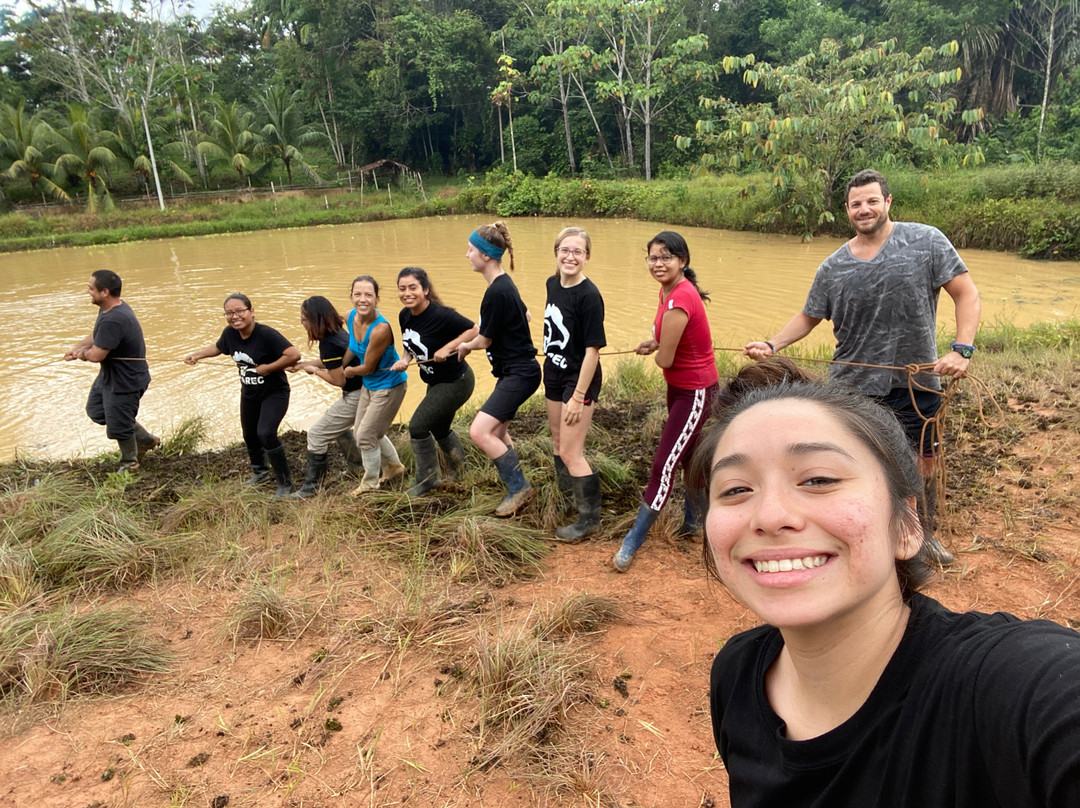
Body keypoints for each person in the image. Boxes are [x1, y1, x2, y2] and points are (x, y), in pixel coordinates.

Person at [699, 380, 1080, 808]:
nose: (769, 516)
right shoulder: (735, 675)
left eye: (819, 478)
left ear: (907, 525)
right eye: (735, 489)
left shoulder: (1009, 686)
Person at [743, 168, 982, 565]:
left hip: (916, 380)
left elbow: (966, 294)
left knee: (922, 463)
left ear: (888, 202)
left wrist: (962, 349)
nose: (864, 209)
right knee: (854, 464)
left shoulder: (926, 241)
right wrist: (772, 343)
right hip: (852, 386)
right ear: (847, 210)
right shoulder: (832, 266)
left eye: (872, 201)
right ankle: (859, 537)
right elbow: (809, 316)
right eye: (856, 204)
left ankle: (923, 536)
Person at [613, 231, 719, 571]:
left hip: (695, 392)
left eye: (666, 257)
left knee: (665, 465)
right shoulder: (669, 290)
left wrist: (659, 351)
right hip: (683, 389)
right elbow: (669, 341)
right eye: (653, 257)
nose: (658, 263)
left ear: (682, 261)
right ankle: (694, 523)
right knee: (690, 458)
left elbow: (667, 361)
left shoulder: (679, 299)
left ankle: (633, 540)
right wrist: (654, 341)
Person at [455, 221, 542, 517]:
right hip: (516, 372)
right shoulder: (503, 285)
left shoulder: (496, 292)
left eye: (471, 250)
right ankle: (517, 484)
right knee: (499, 432)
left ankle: (519, 488)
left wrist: (466, 347)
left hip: (519, 373)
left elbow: (484, 339)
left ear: (487, 256)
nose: (467, 255)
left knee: (479, 432)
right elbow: (526, 314)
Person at [183, 294, 300, 498]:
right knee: (249, 434)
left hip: (274, 393)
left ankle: (285, 483)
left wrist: (269, 368)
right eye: (229, 313)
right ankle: (260, 472)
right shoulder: (230, 334)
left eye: (239, 311)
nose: (234, 316)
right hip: (249, 394)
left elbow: (293, 355)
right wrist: (197, 355)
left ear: (251, 311)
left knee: (266, 432)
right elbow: (219, 347)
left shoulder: (266, 334)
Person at [389, 267, 477, 495]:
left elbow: (474, 330)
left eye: (413, 288)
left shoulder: (441, 315)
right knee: (439, 427)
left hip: (456, 380)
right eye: (402, 288)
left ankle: (427, 480)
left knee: (417, 426)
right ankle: (461, 470)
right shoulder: (404, 315)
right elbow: (410, 346)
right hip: (434, 380)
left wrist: (447, 348)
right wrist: (403, 359)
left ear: (425, 290)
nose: (407, 293)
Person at [543, 226, 606, 541]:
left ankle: (588, 520)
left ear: (587, 257)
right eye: (565, 250)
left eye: (577, 251)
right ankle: (568, 499)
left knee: (571, 451)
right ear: (556, 252)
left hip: (579, 377)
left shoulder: (589, 296)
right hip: (553, 371)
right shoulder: (552, 283)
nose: (570, 256)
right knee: (556, 441)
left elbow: (592, 351)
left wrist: (577, 396)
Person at [64, 269, 157, 472]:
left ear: (104, 292)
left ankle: (130, 463)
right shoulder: (108, 310)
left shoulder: (114, 318)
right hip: (110, 376)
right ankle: (145, 439)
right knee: (96, 410)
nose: (88, 292)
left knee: (119, 425)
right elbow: (98, 335)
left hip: (126, 381)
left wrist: (83, 354)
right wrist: (77, 347)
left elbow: (97, 355)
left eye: (91, 288)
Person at [287, 295, 366, 498]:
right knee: (339, 426)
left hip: (357, 394)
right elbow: (332, 361)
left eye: (304, 319)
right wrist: (303, 365)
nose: (302, 323)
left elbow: (337, 379)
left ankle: (312, 487)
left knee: (316, 434)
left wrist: (314, 371)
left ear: (315, 320)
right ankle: (357, 467)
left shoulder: (328, 343)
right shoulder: (339, 333)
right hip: (366, 390)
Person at [341, 275, 408, 494]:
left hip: (389, 385)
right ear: (351, 296)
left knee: (365, 436)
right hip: (369, 386)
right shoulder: (351, 316)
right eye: (358, 294)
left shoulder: (381, 329)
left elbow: (367, 368)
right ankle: (395, 468)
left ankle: (370, 483)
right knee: (362, 431)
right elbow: (347, 337)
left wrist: (348, 371)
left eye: (368, 295)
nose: (363, 299)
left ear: (377, 299)